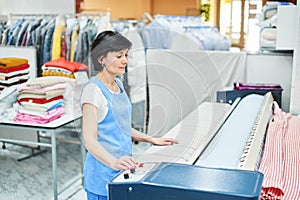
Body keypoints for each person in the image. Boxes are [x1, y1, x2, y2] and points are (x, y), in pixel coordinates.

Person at [80, 30, 179, 200]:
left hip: (121, 169)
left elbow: (122, 127)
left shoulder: (118, 84)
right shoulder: (92, 90)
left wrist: (151, 139)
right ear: (101, 58)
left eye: (126, 55)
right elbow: (89, 140)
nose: (125, 60)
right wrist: (113, 162)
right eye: (119, 56)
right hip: (101, 175)